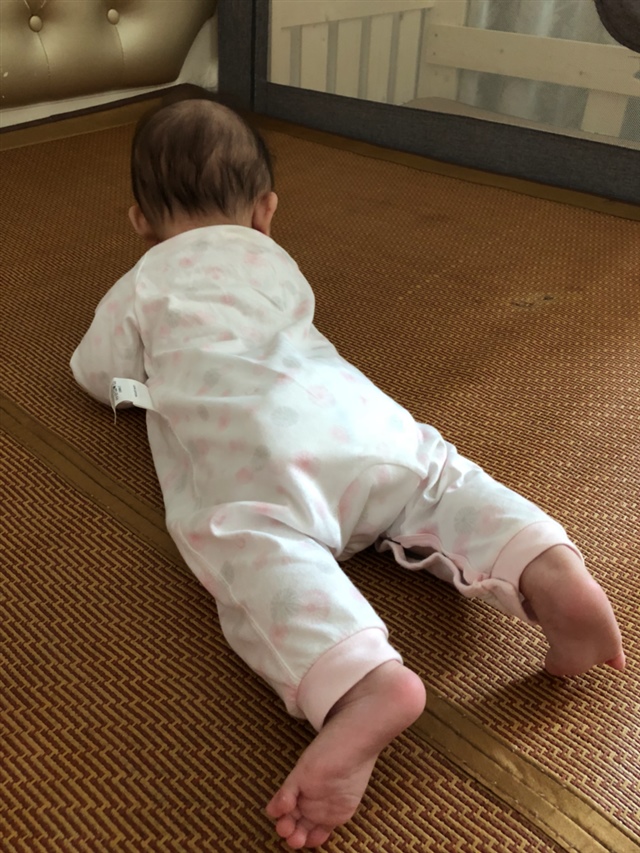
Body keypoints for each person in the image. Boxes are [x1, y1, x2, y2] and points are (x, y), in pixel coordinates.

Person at [70, 91, 625, 850]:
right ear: (266, 210)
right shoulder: (275, 260)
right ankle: (540, 560)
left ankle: (363, 681)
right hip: (357, 420)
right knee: (436, 478)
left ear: (140, 221)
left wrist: (143, 384)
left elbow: (93, 372)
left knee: (250, 544)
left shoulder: (144, 280)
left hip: (256, 456)